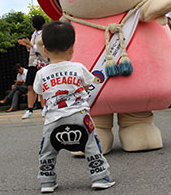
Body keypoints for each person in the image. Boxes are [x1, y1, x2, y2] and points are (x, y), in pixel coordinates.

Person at [33, 21, 115, 193]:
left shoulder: (41, 73)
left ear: (45, 50)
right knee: (91, 145)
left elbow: (40, 94)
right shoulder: (78, 68)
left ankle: (47, 182)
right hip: (79, 116)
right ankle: (100, 177)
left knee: (47, 151)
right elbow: (86, 87)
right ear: (72, 48)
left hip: (52, 120)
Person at [18, 15, 48, 119]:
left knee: (43, 86)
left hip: (42, 63)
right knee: (30, 86)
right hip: (32, 63)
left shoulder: (44, 34)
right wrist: (26, 45)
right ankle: (30, 109)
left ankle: (44, 107)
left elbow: (40, 48)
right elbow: (31, 48)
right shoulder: (34, 34)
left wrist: (30, 44)